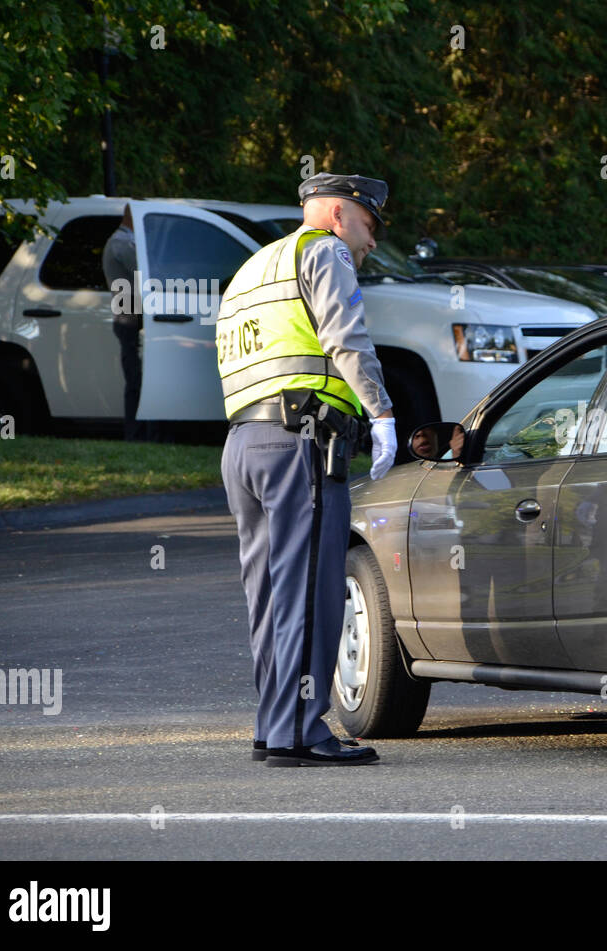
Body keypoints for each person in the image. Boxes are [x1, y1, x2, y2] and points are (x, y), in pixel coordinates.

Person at [217, 172, 400, 767]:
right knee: (313, 587)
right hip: (303, 442)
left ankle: (274, 725)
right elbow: (346, 337)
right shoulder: (324, 251)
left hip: (245, 443)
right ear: (341, 214)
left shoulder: (253, 268)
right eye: (369, 226)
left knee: (269, 595)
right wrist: (382, 412)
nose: (371, 243)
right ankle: (300, 731)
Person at [101, 205, 146, 441]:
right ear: (133, 216)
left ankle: (138, 434)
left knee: (137, 382)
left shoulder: (124, 241)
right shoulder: (122, 243)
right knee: (136, 384)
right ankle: (135, 434)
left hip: (129, 318)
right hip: (129, 320)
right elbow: (146, 273)